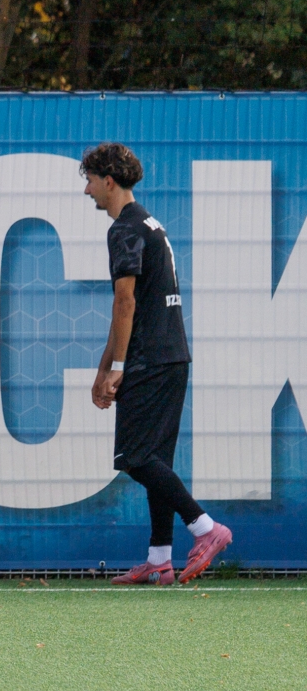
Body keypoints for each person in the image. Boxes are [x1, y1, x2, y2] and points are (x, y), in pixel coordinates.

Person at [82, 142, 233, 584]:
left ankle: (205, 528)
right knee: (156, 462)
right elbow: (129, 307)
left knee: (135, 458)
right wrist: (104, 367)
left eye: (90, 181)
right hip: (171, 356)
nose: (87, 191)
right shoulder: (149, 222)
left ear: (109, 181)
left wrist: (118, 366)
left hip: (149, 359)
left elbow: (125, 302)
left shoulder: (125, 229)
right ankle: (160, 558)